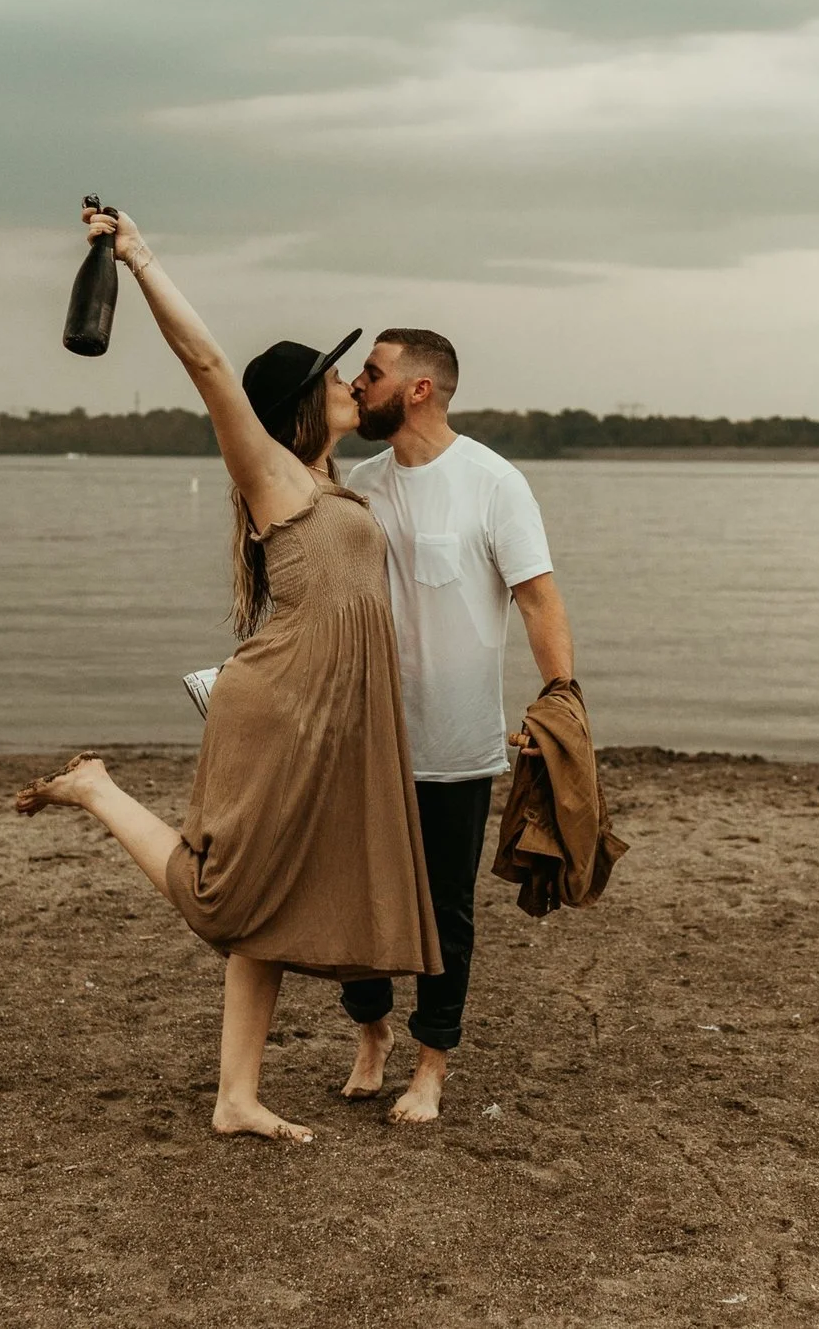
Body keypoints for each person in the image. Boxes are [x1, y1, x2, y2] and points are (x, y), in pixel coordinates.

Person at [13, 205, 440, 1145]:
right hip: (279, 707)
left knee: (270, 905)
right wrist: (138, 255)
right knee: (226, 898)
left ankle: (235, 1095)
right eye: (332, 376)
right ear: (297, 402)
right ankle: (97, 790)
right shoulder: (274, 476)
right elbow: (207, 365)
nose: (345, 384)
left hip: (324, 714)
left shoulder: (335, 485)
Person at [335, 329, 576, 1123]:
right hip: (363, 737)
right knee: (357, 902)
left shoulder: (493, 483)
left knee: (445, 909)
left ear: (417, 390)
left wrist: (560, 700)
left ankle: (431, 1063)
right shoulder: (355, 483)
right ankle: (370, 1032)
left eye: (372, 372)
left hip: (456, 745)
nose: (357, 383)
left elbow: (537, 597)